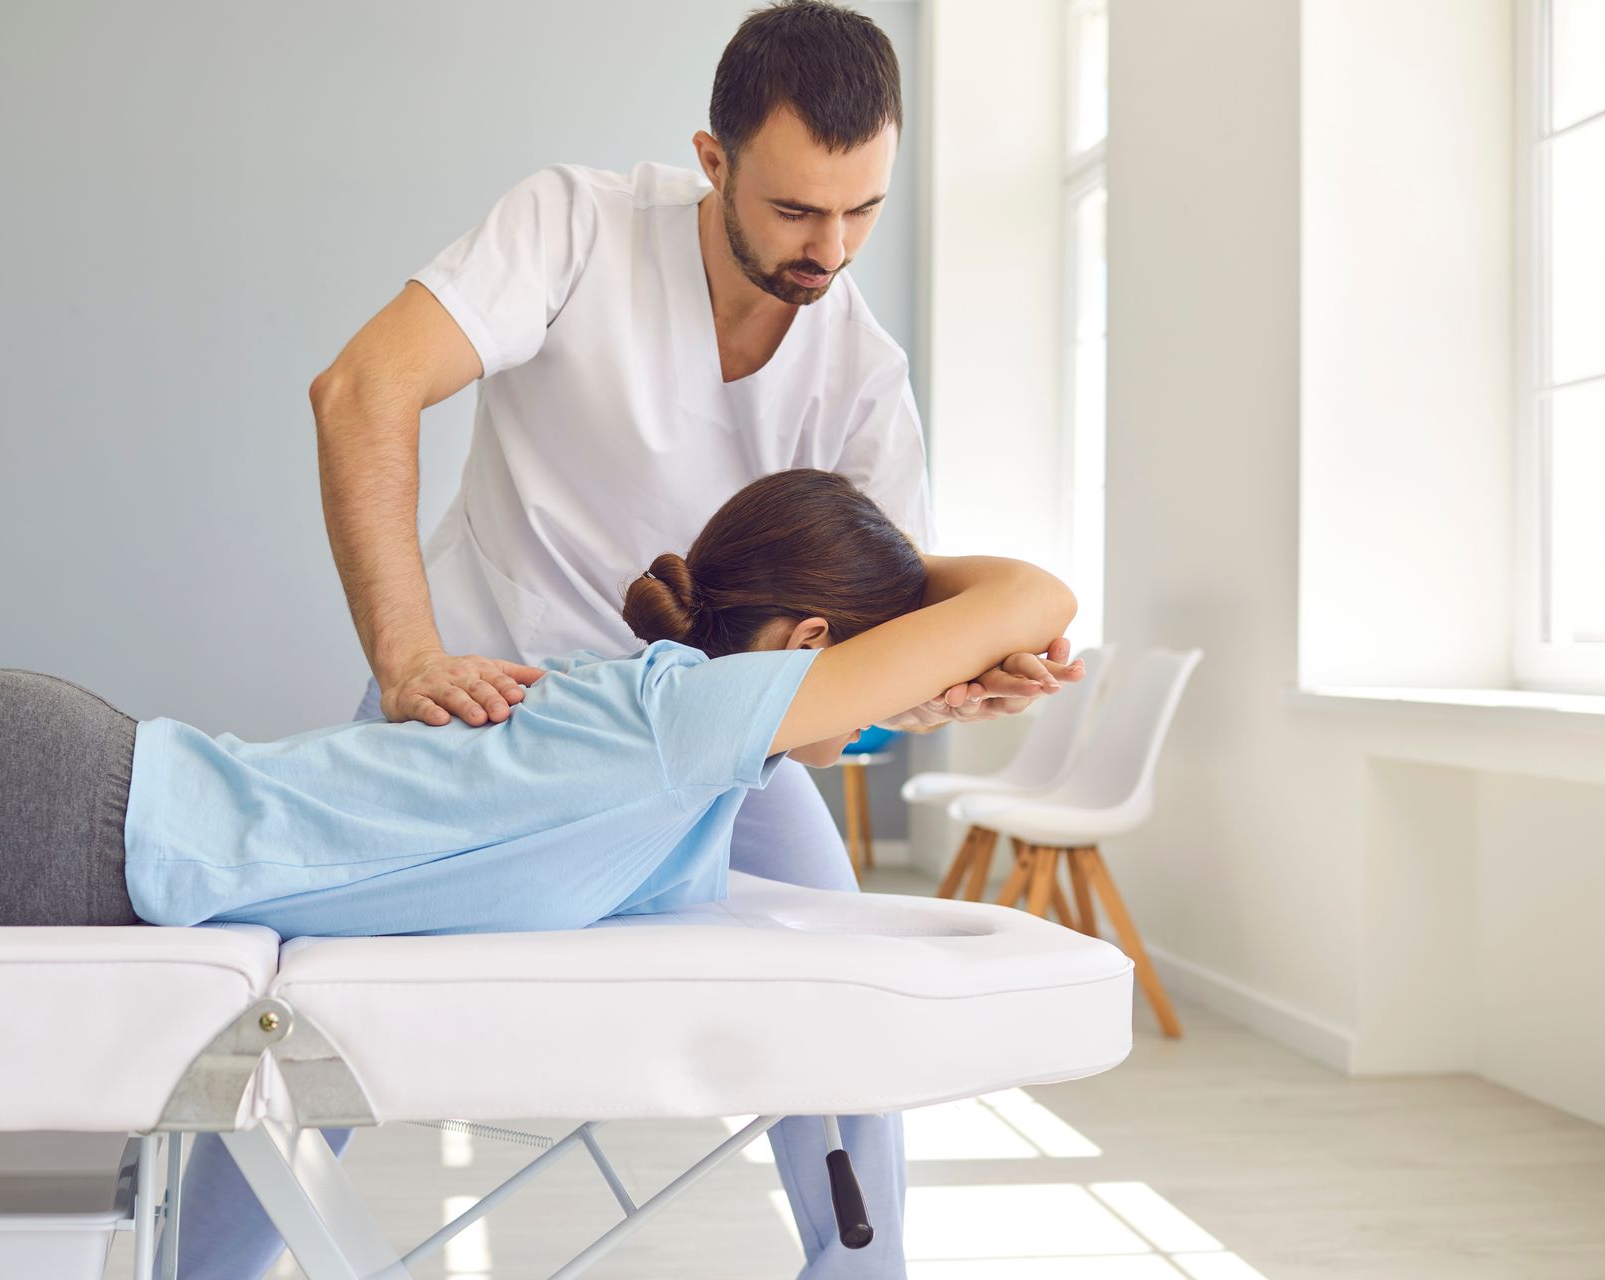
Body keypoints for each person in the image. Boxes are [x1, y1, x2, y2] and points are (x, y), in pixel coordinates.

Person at [282, 5, 1078, 1275]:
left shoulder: (862, 374)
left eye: (863, 211)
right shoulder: (573, 226)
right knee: (301, 1017)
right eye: (796, 212)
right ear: (712, 162)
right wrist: (408, 658)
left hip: (701, 741)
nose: (831, 251)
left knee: (853, 1012)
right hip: (479, 706)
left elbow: (864, 641)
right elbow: (362, 389)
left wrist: (946, 678)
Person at [0, 470, 1078, 947]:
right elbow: (1032, 591)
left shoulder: (682, 753)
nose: (877, 716)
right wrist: (939, 633)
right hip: (33, 811)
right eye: (863, 670)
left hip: (64, 799)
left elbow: (918, 675)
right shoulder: (685, 720)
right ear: (802, 645)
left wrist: (929, 672)